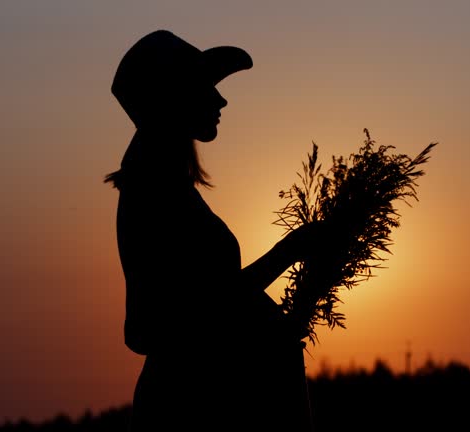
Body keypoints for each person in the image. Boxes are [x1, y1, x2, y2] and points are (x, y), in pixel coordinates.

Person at [105, 29, 324, 431]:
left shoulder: (162, 186)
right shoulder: (155, 192)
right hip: (193, 413)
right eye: (205, 87)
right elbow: (202, 308)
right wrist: (290, 250)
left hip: (199, 404)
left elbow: (208, 304)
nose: (221, 99)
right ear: (174, 97)